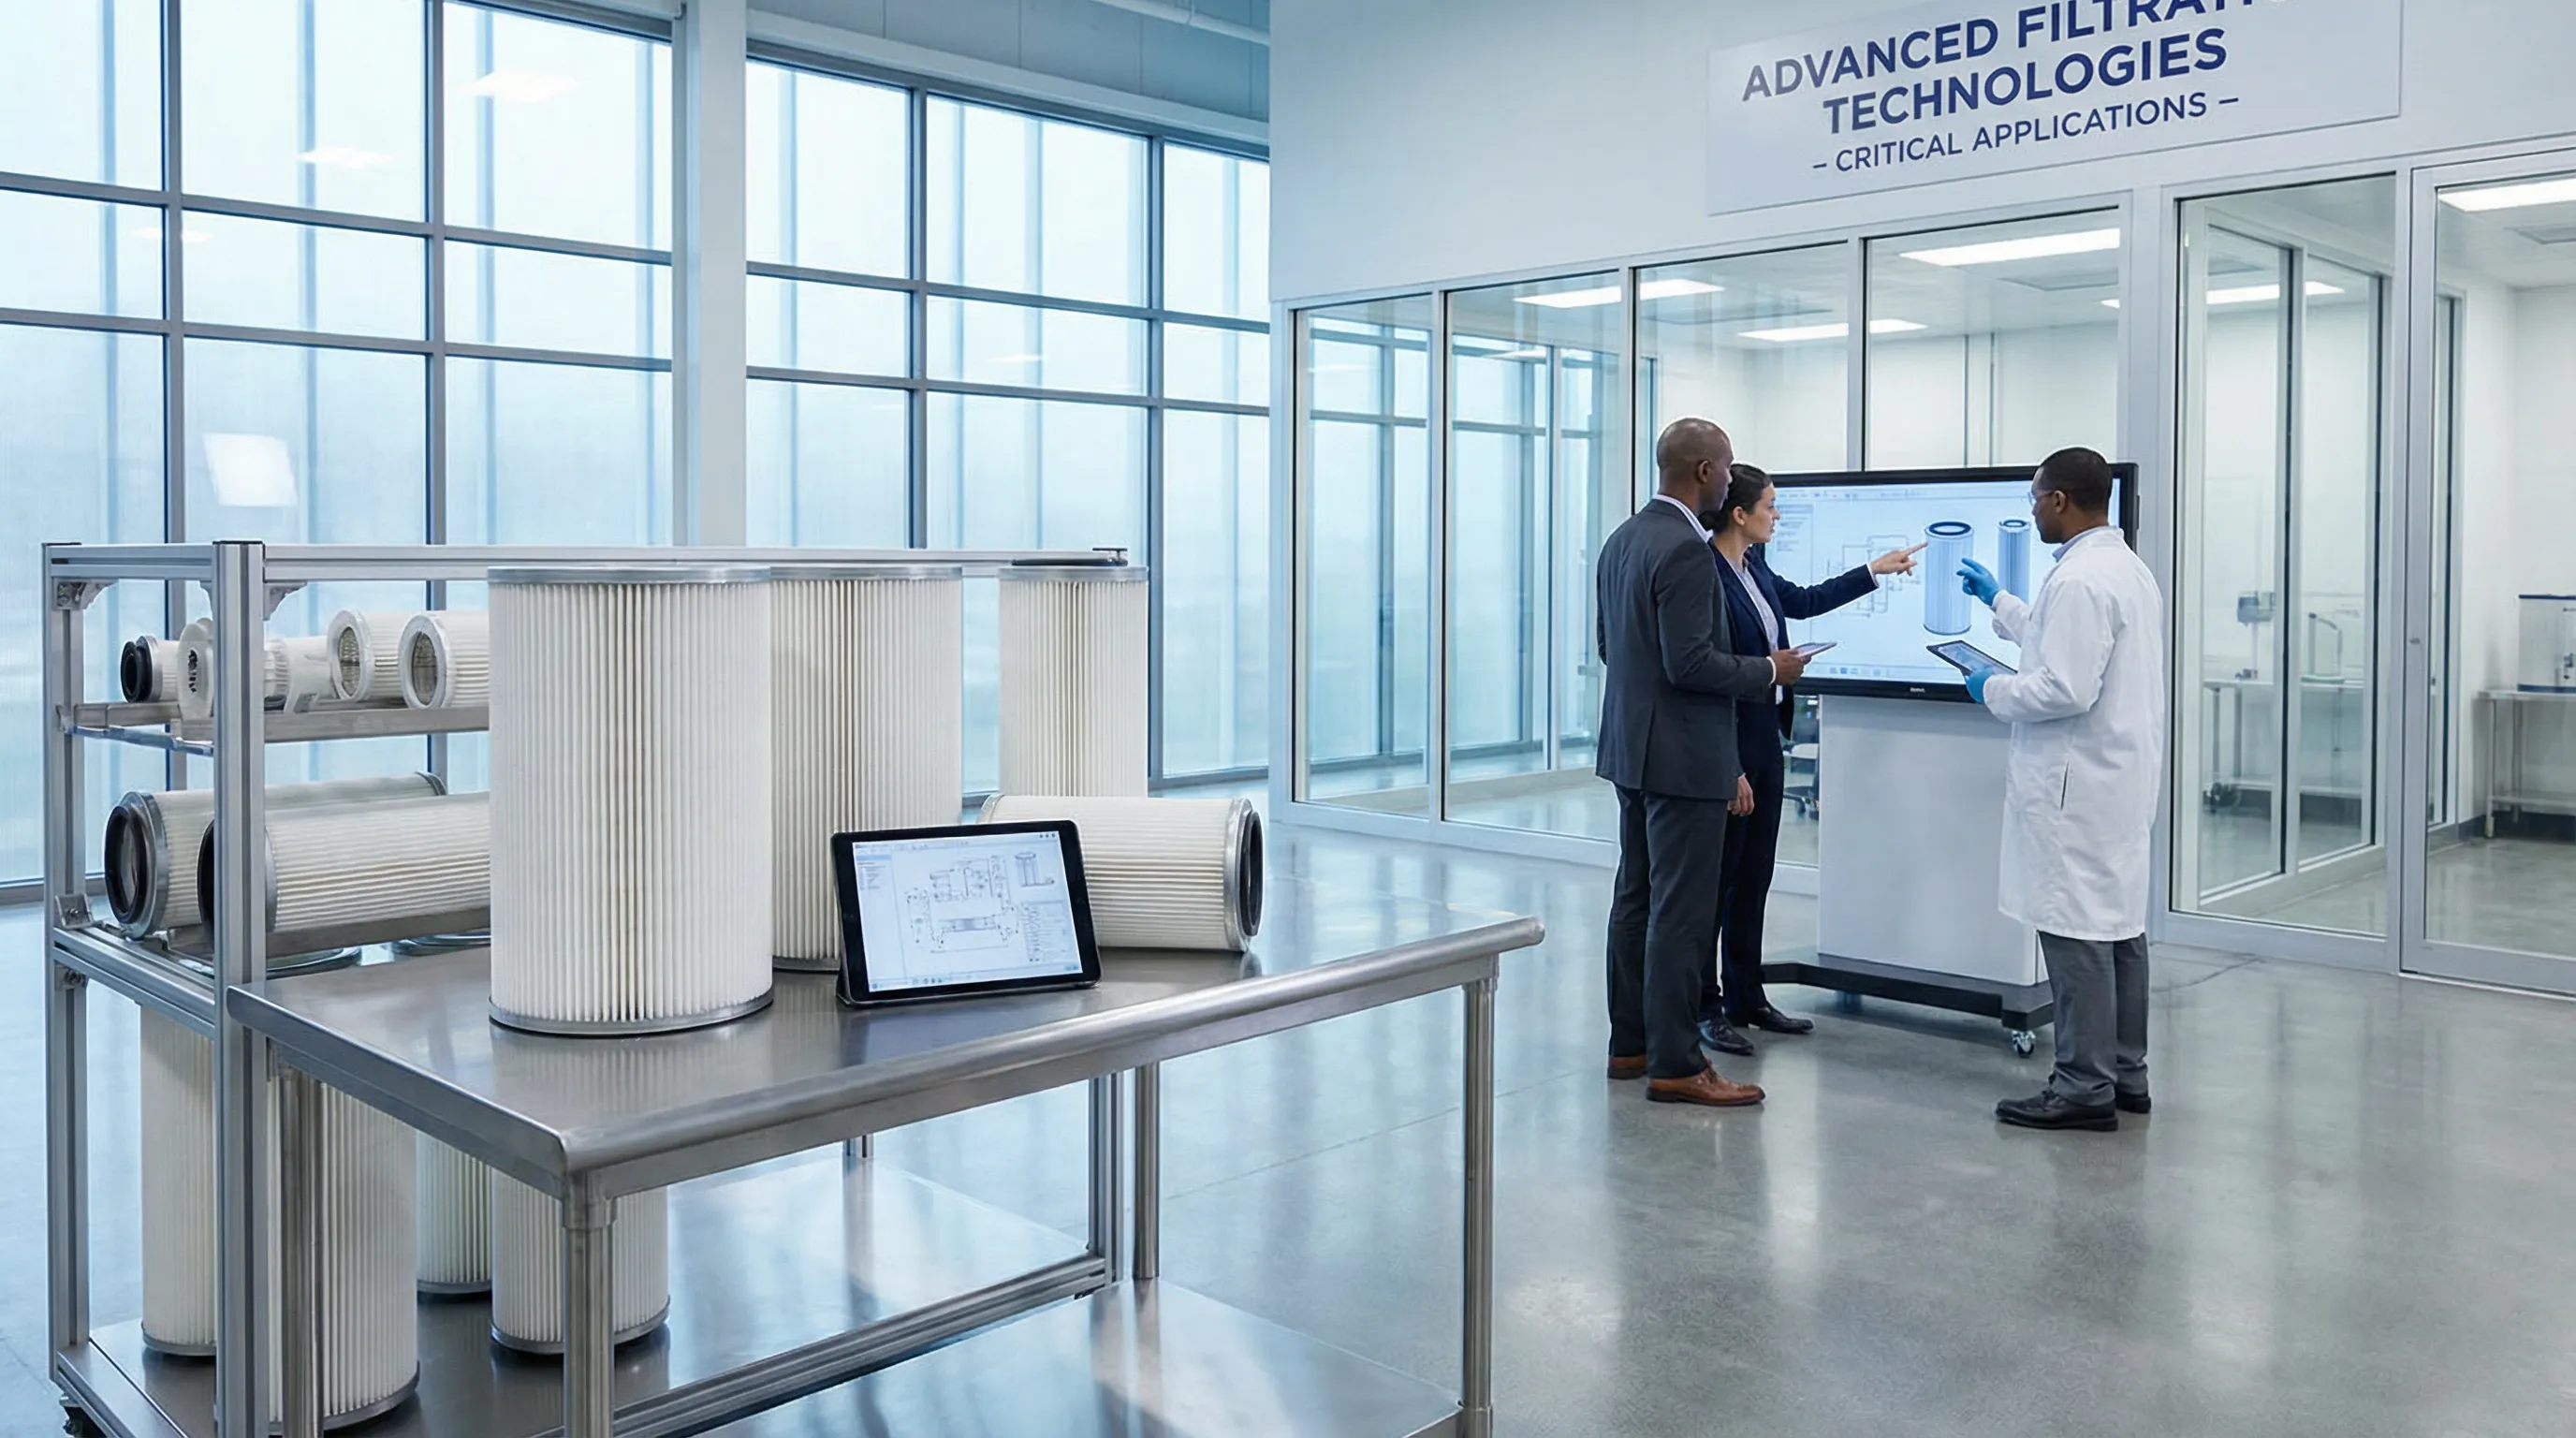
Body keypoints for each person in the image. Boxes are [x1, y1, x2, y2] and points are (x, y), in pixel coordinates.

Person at [1595, 418, 1813, 1108]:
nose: (1729, 477)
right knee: (1683, 915)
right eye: (1724, 468)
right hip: (1683, 760)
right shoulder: (1687, 551)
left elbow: (1613, 648)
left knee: (1636, 901)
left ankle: (1629, 1045)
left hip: (1631, 750)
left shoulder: (1622, 539)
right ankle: (1677, 1064)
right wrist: (1768, 671)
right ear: (1701, 473)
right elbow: (1689, 664)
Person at [1954, 446, 2166, 1132]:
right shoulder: (2122, 569)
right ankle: (2125, 1074)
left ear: (2058, 501)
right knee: (2119, 933)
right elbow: (2060, 641)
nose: (2032, 508)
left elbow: (2064, 685)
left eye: (2034, 497)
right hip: (2115, 783)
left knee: (2076, 936)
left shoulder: (2079, 581)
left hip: (2077, 787)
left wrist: (1992, 688)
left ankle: (2081, 1086)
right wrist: (2000, 602)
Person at [1691, 463, 1924, 1057]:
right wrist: (1727, 767)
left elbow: (1804, 599)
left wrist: (1874, 570)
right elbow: (1706, 677)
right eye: (1769, 506)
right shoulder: (1706, 574)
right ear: (1739, 514)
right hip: (1730, 743)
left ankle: (1748, 994)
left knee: (1755, 877)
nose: (1777, 514)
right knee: (1716, 884)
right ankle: (1704, 1006)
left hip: (1767, 735)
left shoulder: (1755, 567)